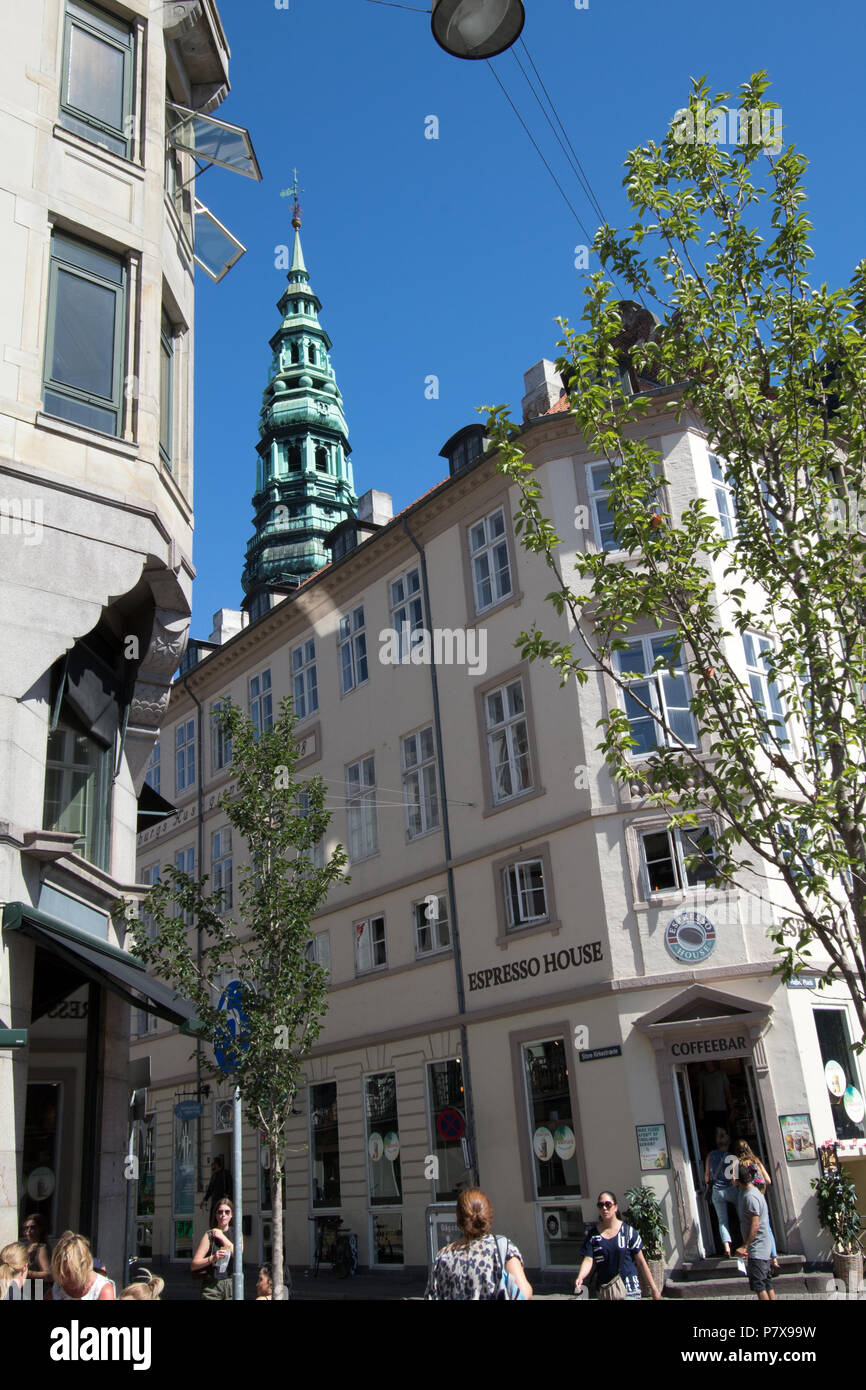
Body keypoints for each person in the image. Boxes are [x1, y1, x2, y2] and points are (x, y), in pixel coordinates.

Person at [425, 1188, 533, 1300]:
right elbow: (524, 1293)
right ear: (489, 1214)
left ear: (458, 1218)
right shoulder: (502, 1248)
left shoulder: (443, 1257)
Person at [574, 1191, 662, 1301]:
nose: (604, 1208)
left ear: (615, 1207)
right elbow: (588, 1259)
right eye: (600, 1205)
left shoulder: (628, 1232)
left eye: (608, 1204)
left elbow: (641, 1262)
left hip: (629, 1290)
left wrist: (654, 1289)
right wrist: (580, 1277)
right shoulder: (593, 1235)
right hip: (606, 1291)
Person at [734, 1140, 781, 1271]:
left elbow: (734, 1182)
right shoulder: (756, 1160)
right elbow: (768, 1180)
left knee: (748, 1224)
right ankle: (774, 1259)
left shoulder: (737, 1163)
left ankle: (750, 1252)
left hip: (747, 1194)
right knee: (766, 1227)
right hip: (760, 1195)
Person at [734, 1161, 776, 1301]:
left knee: (759, 1286)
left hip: (757, 1248)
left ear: (737, 1179)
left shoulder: (750, 1197)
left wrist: (744, 1246)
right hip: (763, 1246)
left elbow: (755, 1225)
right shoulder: (755, 1192)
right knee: (767, 1283)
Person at [704, 1127, 739, 1257]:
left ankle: (727, 1247)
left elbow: (707, 1176)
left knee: (722, 1221)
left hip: (717, 1191)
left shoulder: (710, 1155)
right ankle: (746, 1244)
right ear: (728, 1143)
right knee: (742, 1215)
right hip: (730, 1189)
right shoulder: (732, 1157)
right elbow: (735, 1179)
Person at [48, 1231, 115, 1300]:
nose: (64, 1279)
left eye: (69, 1272)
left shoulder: (103, 1289)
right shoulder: (56, 1290)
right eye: (60, 1272)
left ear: (83, 1267)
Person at [191, 1197, 235, 1299]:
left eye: (227, 1212)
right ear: (216, 1215)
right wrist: (213, 1258)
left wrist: (221, 1236)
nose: (223, 1215)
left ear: (231, 1215)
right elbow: (194, 1265)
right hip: (212, 1285)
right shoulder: (209, 1235)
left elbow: (237, 1254)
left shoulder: (236, 1233)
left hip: (231, 1283)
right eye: (220, 1212)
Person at [697, 1061, 734, 1148]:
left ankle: (726, 1153)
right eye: (706, 1063)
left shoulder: (721, 1074)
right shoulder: (702, 1076)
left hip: (721, 1109)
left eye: (709, 1062)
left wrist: (732, 1109)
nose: (708, 1064)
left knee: (723, 1133)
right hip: (708, 1110)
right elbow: (700, 1093)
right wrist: (700, 1109)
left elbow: (728, 1092)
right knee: (711, 1135)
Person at [20, 1213, 52, 1286]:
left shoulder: (41, 1248)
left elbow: (49, 1274)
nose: (28, 1231)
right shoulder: (29, 1247)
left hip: (37, 1291)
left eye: (33, 1227)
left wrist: (28, 1273)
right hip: (27, 1290)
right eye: (26, 1228)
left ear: (41, 1229)